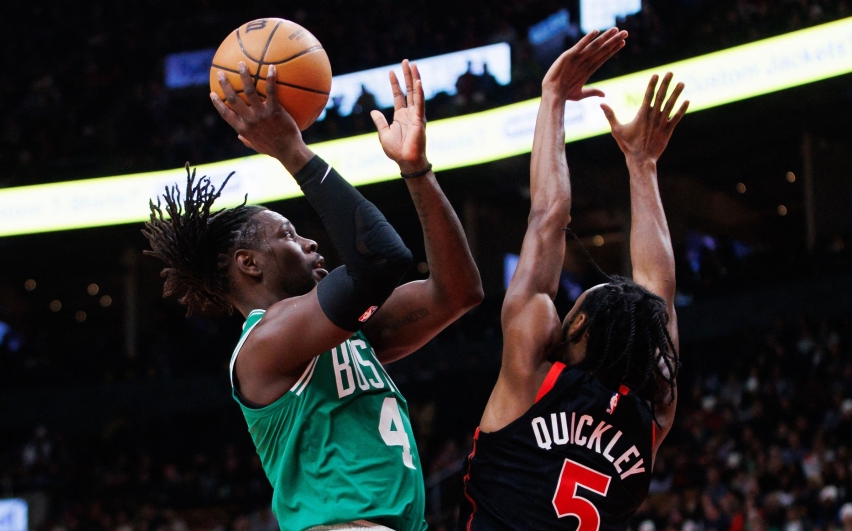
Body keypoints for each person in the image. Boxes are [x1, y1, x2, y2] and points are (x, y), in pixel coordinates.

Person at [144, 59, 482, 531]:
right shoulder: (265, 345)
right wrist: (291, 150)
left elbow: (458, 293)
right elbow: (382, 259)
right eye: (288, 234)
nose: (310, 242)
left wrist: (417, 170)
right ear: (249, 263)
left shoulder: (346, 336)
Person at [458, 27, 687, 531]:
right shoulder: (651, 418)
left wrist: (553, 98)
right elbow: (660, 296)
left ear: (578, 326)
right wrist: (642, 165)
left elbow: (548, 217)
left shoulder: (532, 378)